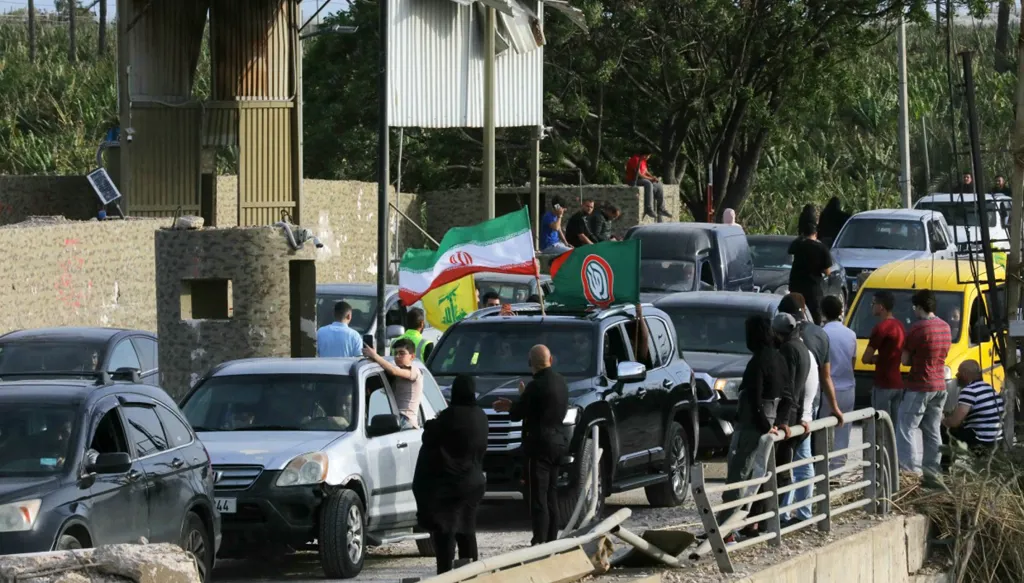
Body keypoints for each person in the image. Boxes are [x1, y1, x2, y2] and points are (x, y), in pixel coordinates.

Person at [716, 315, 787, 539]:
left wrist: (764, 426)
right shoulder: (779, 359)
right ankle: (755, 524)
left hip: (751, 427)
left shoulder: (758, 361)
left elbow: (754, 399)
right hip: (771, 421)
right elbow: (787, 396)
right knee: (761, 477)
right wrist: (776, 424)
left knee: (738, 476)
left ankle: (725, 529)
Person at [492, 345, 569, 545]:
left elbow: (519, 414)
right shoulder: (561, 381)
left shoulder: (535, 386)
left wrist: (518, 399)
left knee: (538, 495)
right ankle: (552, 538)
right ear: (551, 359)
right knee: (552, 493)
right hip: (558, 443)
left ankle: (540, 539)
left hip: (539, 446)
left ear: (530, 364)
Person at [413, 374, 488, 574]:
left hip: (449, 485)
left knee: (445, 531)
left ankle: (445, 574)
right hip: (474, 482)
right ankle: (470, 573)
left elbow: (430, 436)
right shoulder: (481, 416)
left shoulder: (450, 416)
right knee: (467, 528)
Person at [898, 289, 952, 485]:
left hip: (920, 385)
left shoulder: (917, 329)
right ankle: (933, 475)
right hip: (940, 385)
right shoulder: (945, 327)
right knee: (932, 431)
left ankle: (908, 475)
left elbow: (904, 360)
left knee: (906, 429)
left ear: (919, 307)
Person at [778, 293, 844, 428]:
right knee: (805, 441)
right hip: (812, 397)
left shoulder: (783, 333)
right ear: (803, 310)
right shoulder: (820, 333)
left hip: (788, 403)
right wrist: (834, 407)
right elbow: (826, 377)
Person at [820, 295, 857, 471]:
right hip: (847, 387)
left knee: (821, 431)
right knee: (844, 430)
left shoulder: (822, 334)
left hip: (827, 390)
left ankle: (821, 469)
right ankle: (837, 469)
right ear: (841, 312)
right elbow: (853, 363)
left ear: (823, 312)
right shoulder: (851, 334)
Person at [862, 290, 905, 427]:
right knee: (894, 427)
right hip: (898, 382)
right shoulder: (900, 326)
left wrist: (874, 359)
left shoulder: (881, 328)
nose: (871, 306)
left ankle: (881, 449)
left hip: (883, 383)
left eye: (873, 303)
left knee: (880, 426)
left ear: (881, 307)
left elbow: (865, 358)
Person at [943, 360, 1004, 454]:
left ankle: (946, 465)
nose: (956, 375)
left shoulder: (969, 391)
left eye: (959, 372)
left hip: (980, 439)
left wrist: (943, 420)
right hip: (996, 439)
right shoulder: (989, 387)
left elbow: (955, 422)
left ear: (965, 374)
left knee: (943, 429)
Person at [362, 339, 423, 428]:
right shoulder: (396, 370)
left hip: (406, 421)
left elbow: (393, 371)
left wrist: (375, 356)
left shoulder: (415, 371)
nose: (397, 356)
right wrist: (373, 358)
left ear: (412, 356)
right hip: (394, 417)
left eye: (402, 353)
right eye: (395, 353)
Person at [787, 208, 833, 325]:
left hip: (796, 286)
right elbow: (828, 271)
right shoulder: (822, 248)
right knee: (815, 316)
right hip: (813, 288)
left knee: (795, 314)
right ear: (816, 233)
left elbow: (790, 251)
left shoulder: (797, 245)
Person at [625, 152, 671, 218]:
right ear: (644, 154)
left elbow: (646, 171)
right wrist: (650, 179)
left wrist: (653, 177)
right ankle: (649, 209)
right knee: (648, 183)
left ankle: (661, 208)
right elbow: (639, 174)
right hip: (633, 181)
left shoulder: (643, 161)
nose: (649, 157)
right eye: (648, 155)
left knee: (659, 184)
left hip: (641, 180)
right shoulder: (635, 160)